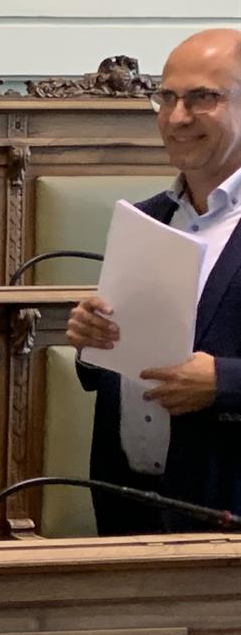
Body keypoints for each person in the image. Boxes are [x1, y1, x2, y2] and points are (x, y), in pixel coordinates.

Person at [67, 27, 241, 534]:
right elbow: (119, 360)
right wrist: (89, 340)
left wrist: (224, 383)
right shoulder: (149, 218)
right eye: (165, 97)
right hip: (130, 504)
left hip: (226, 508)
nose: (177, 117)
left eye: (202, 98)